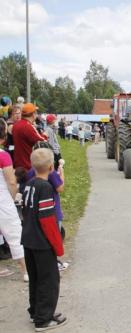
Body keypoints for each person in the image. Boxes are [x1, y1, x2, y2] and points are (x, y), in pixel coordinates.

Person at [21, 148, 67, 330]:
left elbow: (25, 212)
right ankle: (44, 319)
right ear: (51, 167)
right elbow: (48, 220)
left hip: (28, 239)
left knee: (35, 278)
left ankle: (36, 311)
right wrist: (57, 246)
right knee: (49, 280)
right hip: (42, 242)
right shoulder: (46, 188)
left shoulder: (29, 184)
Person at [0, 119, 28, 281]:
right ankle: (25, 270)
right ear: (3, 136)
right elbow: (11, 181)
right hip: (3, 200)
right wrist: (16, 197)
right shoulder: (4, 156)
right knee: (15, 233)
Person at [12, 103, 47, 170]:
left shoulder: (16, 125)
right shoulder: (28, 126)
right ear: (33, 114)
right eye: (36, 112)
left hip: (18, 164)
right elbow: (42, 141)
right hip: (28, 164)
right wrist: (45, 134)